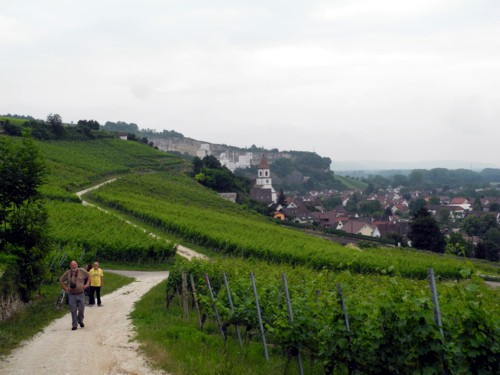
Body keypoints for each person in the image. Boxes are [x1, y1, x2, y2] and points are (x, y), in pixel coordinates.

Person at [60, 260, 89, 330]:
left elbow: (89, 275)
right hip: (72, 295)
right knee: (73, 310)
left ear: (77, 264)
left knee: (81, 309)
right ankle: (74, 324)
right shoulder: (67, 273)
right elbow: (61, 280)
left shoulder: (81, 270)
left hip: (81, 293)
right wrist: (66, 288)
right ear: (70, 266)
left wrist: (87, 284)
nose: (74, 266)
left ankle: (80, 320)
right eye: (72, 265)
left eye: (75, 264)